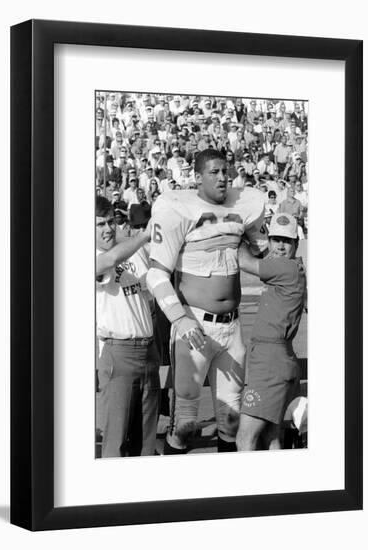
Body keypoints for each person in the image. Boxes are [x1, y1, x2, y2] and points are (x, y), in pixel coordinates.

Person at [146, 149, 268, 454]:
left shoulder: (245, 205)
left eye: (225, 171)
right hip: (195, 327)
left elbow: (263, 255)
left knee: (231, 420)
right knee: (185, 425)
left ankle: (227, 495)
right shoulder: (177, 209)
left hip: (233, 327)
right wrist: (180, 319)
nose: (223, 177)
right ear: (197, 177)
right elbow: (156, 275)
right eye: (214, 172)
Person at [236, 213, 307, 451]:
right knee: (270, 436)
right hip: (276, 357)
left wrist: (237, 232)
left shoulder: (285, 267)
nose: (280, 245)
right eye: (276, 239)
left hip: (269, 361)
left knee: (245, 439)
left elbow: (244, 261)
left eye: (286, 241)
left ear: (296, 243)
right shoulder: (293, 267)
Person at [96, 196, 160, 458]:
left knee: (145, 441)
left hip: (148, 350)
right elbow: (110, 260)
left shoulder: (128, 252)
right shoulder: (93, 257)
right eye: (99, 224)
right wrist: (145, 235)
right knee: (116, 442)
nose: (108, 228)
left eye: (111, 221)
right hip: (118, 352)